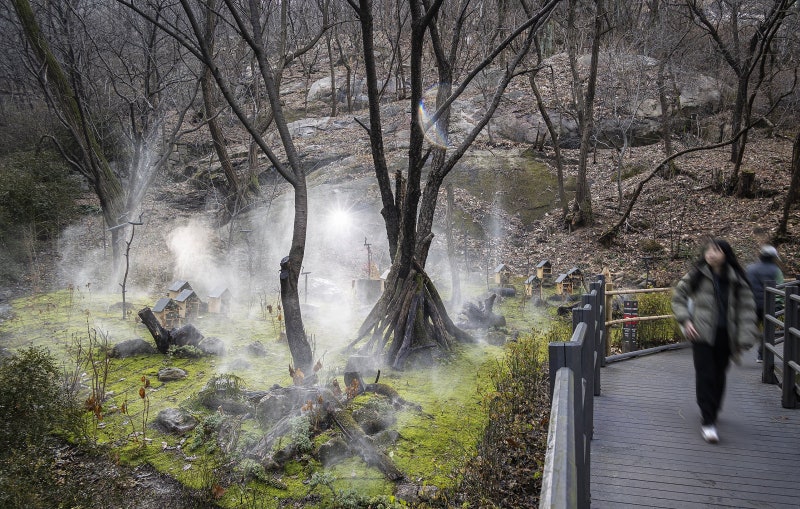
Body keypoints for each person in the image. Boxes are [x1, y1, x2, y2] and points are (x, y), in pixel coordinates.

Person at [671, 239, 759, 444]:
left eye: (716, 250)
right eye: (709, 250)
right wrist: (685, 320)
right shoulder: (697, 275)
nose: (710, 254)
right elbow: (679, 297)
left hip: (725, 337)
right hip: (701, 335)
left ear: (726, 254)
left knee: (719, 375)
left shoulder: (737, 279)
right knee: (705, 375)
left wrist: (744, 339)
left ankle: (713, 409)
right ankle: (708, 420)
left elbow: (747, 311)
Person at [745, 245, 784, 362]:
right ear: (773, 257)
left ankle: (747, 341)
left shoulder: (750, 268)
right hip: (769, 305)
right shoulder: (776, 270)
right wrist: (779, 304)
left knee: (750, 326)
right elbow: (780, 288)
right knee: (768, 330)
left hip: (751, 303)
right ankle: (761, 355)